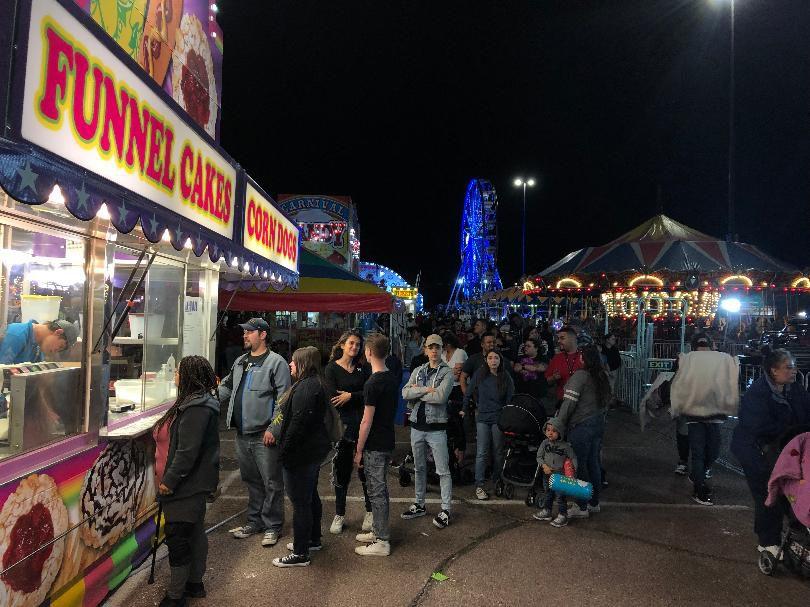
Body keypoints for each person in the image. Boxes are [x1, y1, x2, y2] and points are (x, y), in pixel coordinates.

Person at [155, 356, 220, 607]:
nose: (175, 376)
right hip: (192, 484)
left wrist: (169, 481)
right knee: (192, 533)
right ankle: (194, 583)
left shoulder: (197, 408)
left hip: (186, 486)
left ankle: (176, 595)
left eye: (179, 372)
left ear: (189, 376)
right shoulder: (194, 404)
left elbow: (187, 451)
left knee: (179, 537)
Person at [219, 318, 291, 547]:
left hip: (264, 435)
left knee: (271, 482)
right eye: (244, 332)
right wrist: (206, 401)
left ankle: (273, 526)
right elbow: (227, 387)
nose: (245, 336)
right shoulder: (240, 361)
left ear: (262, 335)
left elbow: (284, 400)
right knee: (251, 480)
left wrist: (274, 428)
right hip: (242, 434)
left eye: (249, 332)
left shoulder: (276, 363)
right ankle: (255, 521)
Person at [731, 349, 810, 557]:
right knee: (768, 494)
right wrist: (791, 429)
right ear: (774, 371)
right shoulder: (757, 394)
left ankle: (796, 533)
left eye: (794, 366)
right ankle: (768, 542)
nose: (794, 371)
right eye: (789, 367)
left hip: (785, 450)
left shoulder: (796, 390)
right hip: (756, 451)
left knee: (794, 492)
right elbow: (758, 426)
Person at [271, 347, 331, 567]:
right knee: (309, 497)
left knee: (300, 503)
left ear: (304, 363)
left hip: (301, 456)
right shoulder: (314, 383)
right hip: (311, 453)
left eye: (294, 362)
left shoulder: (306, 388)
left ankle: (300, 552)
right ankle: (312, 540)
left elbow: (297, 425)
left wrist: (283, 453)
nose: (290, 364)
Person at [670, 333, 739, 505]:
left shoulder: (718, 359)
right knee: (700, 452)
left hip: (713, 414)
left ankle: (697, 476)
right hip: (695, 414)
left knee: (713, 451)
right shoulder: (688, 360)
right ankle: (699, 487)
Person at [401, 334, 455, 527]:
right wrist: (427, 390)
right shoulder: (418, 370)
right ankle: (420, 504)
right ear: (425, 350)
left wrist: (418, 391)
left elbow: (440, 397)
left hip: (437, 429)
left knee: (443, 470)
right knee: (419, 468)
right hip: (417, 426)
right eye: (430, 347)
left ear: (442, 350)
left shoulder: (447, 373)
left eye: (437, 347)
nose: (434, 350)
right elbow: (405, 392)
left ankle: (446, 509)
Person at [354, 333, 399, 556]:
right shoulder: (391, 377)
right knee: (378, 489)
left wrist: (359, 449)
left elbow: (366, 420)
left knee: (377, 490)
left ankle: (382, 540)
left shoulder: (373, 382)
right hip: (387, 438)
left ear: (369, 352)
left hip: (375, 443)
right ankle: (377, 530)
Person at [324, 330, 372, 535]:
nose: (354, 347)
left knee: (365, 472)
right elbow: (333, 396)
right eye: (351, 343)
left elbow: (369, 393)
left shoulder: (364, 369)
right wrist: (356, 396)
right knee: (342, 474)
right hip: (342, 429)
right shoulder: (331, 369)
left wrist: (351, 395)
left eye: (358, 345)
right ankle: (340, 514)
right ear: (342, 345)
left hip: (362, 427)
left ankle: (369, 512)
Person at [555, 344, 611, 519]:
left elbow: (569, 404)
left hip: (581, 426)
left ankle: (581, 506)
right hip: (597, 425)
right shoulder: (602, 376)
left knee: (579, 466)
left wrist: (559, 423)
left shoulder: (580, 376)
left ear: (583, 359)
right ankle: (594, 502)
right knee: (593, 463)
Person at [464, 350, 514, 500]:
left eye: (496, 358)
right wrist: (464, 409)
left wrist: (506, 415)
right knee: (481, 453)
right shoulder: (480, 374)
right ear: (486, 360)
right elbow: (469, 392)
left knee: (498, 452)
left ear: (500, 360)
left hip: (499, 418)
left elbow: (510, 399)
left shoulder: (506, 377)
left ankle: (497, 479)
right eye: (490, 358)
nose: (493, 360)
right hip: (483, 418)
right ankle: (479, 485)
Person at [533, 417, 577, 528]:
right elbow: (539, 456)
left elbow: (573, 458)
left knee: (560, 496)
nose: (550, 433)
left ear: (560, 432)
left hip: (560, 476)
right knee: (548, 493)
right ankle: (547, 511)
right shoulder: (544, 443)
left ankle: (563, 515)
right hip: (547, 475)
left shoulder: (566, 446)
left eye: (554, 431)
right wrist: (544, 466)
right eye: (548, 430)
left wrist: (573, 472)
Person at [0, 318, 78, 363]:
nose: (56, 351)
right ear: (58, 332)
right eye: (60, 346)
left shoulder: (39, 347)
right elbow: (2, 372)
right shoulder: (17, 335)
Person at [545, 326, 583, 405]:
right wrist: (553, 378)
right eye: (558, 338)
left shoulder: (585, 356)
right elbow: (546, 381)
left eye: (562, 338)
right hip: (562, 402)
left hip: (582, 404)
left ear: (572, 339)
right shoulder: (557, 358)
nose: (558, 341)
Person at [513, 337, 550, 402]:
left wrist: (523, 367)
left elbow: (539, 368)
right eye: (525, 346)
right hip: (522, 394)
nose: (525, 348)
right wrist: (529, 367)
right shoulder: (520, 358)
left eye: (528, 346)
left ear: (536, 348)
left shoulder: (543, 358)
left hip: (539, 394)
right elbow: (516, 368)